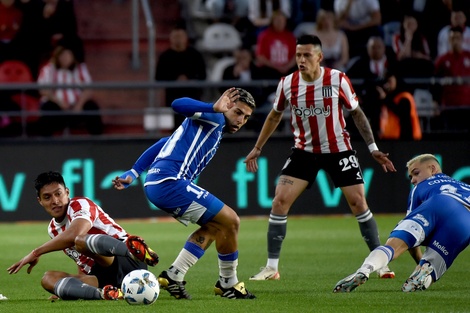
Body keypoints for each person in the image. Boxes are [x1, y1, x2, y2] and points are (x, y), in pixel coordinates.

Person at [244, 35, 397, 282]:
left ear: (319, 56)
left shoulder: (337, 79)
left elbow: (356, 113)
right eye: (298, 55)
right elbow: (274, 116)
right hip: (304, 152)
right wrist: (258, 147)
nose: (301, 60)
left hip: (339, 150)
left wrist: (372, 148)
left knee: (359, 203)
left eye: (306, 55)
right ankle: (272, 268)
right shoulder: (287, 83)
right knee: (279, 202)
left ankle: (379, 262)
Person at [112, 88, 257, 300]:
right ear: (226, 106)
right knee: (231, 220)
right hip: (170, 182)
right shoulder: (214, 117)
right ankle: (229, 284)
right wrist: (212, 107)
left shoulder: (211, 127)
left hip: (159, 183)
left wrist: (134, 172)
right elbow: (177, 104)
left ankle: (174, 276)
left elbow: (164, 143)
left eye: (246, 116)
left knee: (216, 226)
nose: (241, 120)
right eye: (237, 112)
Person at [7, 171, 159, 301]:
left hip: (126, 259)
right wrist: (71, 289)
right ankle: (106, 294)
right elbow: (82, 260)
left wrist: (36, 252)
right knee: (48, 279)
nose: (55, 201)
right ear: (40, 201)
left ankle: (138, 251)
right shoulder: (53, 229)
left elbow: (75, 235)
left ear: (67, 192)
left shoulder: (80, 204)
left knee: (79, 240)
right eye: (47, 197)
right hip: (104, 276)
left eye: (58, 194)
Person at [333, 154, 470, 293]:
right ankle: (425, 273)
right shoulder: (466, 187)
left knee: (393, 246)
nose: (413, 180)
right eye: (410, 177)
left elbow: (412, 238)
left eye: (416, 173)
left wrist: (417, 258)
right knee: (432, 265)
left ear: (433, 169)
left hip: (440, 203)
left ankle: (365, 269)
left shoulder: (421, 187)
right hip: (465, 223)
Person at [35, 44, 104, 136]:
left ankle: (98, 141)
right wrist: (60, 102)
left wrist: (79, 104)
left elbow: (88, 89)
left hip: (76, 105)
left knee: (92, 107)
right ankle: (45, 142)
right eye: (62, 56)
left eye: (68, 55)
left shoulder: (80, 68)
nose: (65, 58)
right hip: (57, 104)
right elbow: (43, 90)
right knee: (47, 108)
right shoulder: (48, 69)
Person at [155, 24, 207, 130]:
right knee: (176, 129)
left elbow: (203, 75)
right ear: (170, 38)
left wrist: (190, 80)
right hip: (173, 100)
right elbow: (158, 77)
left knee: (194, 128)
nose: (178, 40)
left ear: (186, 38)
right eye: (175, 37)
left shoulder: (195, 55)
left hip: (193, 97)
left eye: (180, 36)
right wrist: (175, 81)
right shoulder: (165, 57)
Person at [434, 26, 470, 133]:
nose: (455, 41)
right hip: (449, 107)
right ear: (449, 40)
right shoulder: (442, 60)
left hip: (467, 106)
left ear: (463, 40)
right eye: (453, 38)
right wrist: (436, 102)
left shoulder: (468, 56)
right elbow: (435, 83)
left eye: (458, 38)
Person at [377, 72, 422, 140]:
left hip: (406, 139)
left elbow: (402, 114)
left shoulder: (404, 97)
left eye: (390, 81)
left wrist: (385, 99)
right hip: (391, 137)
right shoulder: (391, 97)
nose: (387, 85)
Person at [255, 10, 297, 80]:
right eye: (277, 20)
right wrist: (276, 67)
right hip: (270, 69)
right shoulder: (264, 36)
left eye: (282, 20)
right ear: (272, 22)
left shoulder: (290, 36)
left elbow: (296, 55)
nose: (280, 23)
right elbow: (260, 56)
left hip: (288, 69)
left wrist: (287, 67)